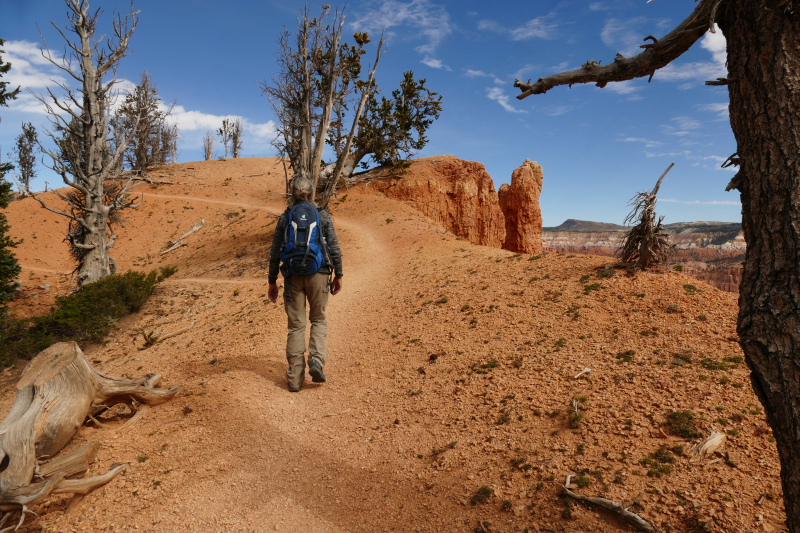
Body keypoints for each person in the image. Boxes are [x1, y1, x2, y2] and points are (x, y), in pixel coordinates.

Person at [267, 177, 343, 392]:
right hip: (318, 273)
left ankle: (294, 379)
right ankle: (317, 360)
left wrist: (272, 281)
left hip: (292, 276)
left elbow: (274, 253)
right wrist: (339, 274)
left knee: (296, 326)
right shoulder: (321, 214)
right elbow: (334, 247)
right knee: (318, 319)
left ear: (292, 194)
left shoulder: (285, 217)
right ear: (311, 195)